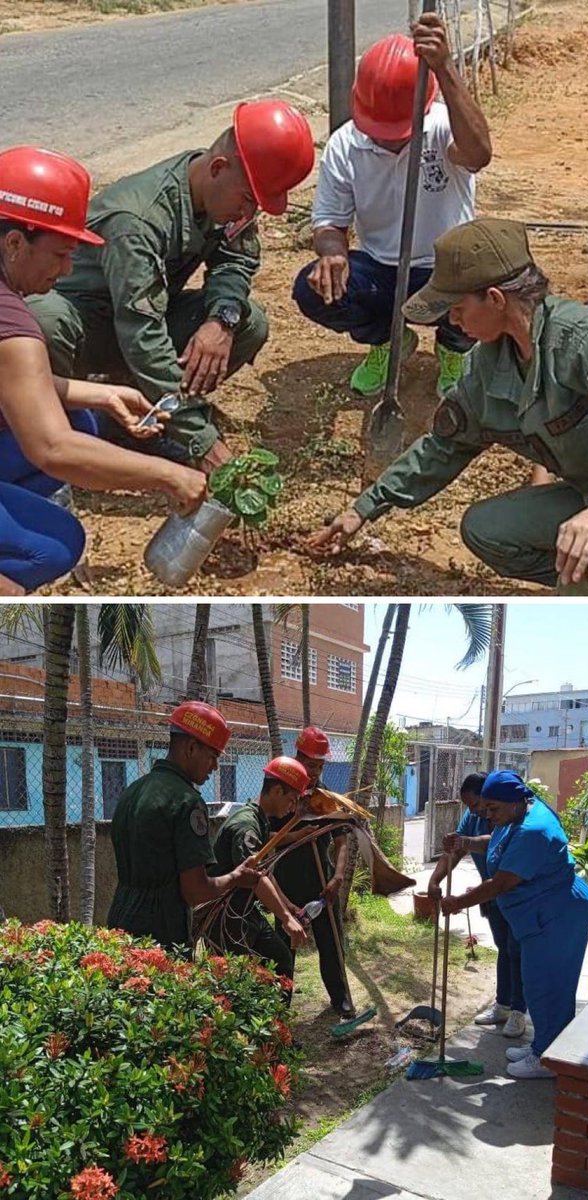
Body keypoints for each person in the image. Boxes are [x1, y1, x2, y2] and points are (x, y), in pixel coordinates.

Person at [305, 218, 588, 592]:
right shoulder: (486, 365)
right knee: (486, 530)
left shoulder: (582, 343)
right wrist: (362, 509)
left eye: (457, 308)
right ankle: (584, 576)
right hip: (585, 496)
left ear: (494, 299)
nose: (452, 321)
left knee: (581, 584)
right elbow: (444, 446)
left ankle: (585, 583)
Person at [28, 100, 314, 471]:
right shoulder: (139, 221)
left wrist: (221, 321)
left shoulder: (224, 196)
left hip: (142, 321)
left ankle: (141, 419)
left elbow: (236, 259)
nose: (249, 214)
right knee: (43, 321)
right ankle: (69, 430)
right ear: (217, 168)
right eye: (247, 200)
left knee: (248, 322)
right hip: (88, 330)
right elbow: (141, 334)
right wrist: (200, 438)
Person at [0, 146, 207, 593]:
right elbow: (52, 449)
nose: (68, 268)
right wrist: (172, 476)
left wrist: (101, 393)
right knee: (54, 546)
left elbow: (15, 383)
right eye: (59, 254)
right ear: (15, 243)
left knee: (82, 420)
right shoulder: (12, 325)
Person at [292, 14, 491, 400]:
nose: (386, 143)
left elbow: (479, 154)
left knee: (491, 278)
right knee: (311, 289)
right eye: (379, 132)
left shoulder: (444, 126)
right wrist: (331, 253)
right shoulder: (344, 145)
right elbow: (329, 222)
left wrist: (445, 68)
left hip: (447, 269)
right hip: (382, 272)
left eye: (397, 133)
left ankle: (454, 348)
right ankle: (387, 341)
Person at [440, 770, 588, 1079]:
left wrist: (458, 902)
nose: (487, 815)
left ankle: (545, 1059)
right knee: (542, 984)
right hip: (542, 915)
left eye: (492, 809)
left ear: (513, 802)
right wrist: (465, 841)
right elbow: (495, 845)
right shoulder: (515, 814)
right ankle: (546, 1046)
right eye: (484, 809)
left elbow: (501, 883)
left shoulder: (533, 830)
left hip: (557, 916)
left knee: (548, 986)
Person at [107, 701, 263, 955]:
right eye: (212, 757)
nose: (214, 767)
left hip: (120, 925)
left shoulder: (132, 791)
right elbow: (195, 891)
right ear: (191, 748)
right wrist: (236, 878)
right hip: (161, 935)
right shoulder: (186, 802)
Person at [428, 771, 528, 1038]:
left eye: (479, 806)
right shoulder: (474, 816)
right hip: (491, 894)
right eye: (471, 807)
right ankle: (503, 1004)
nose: (477, 812)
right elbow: (458, 849)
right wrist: (435, 879)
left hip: (514, 893)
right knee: (503, 949)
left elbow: (491, 848)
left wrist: (462, 900)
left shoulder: (511, 819)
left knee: (516, 950)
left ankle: (519, 1010)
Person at [268, 725, 353, 1016]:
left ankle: (340, 997)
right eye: (309, 764)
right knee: (283, 949)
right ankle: (280, 1004)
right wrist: (295, 837)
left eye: (319, 765)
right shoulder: (283, 793)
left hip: (322, 883)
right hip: (287, 885)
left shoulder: (327, 797)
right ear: (298, 756)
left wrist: (338, 877)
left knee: (332, 943)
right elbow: (267, 839)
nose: (315, 771)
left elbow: (342, 841)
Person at [208, 756, 311, 988]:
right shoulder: (247, 825)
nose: (293, 807)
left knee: (281, 959)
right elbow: (256, 878)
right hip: (225, 916)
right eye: (292, 799)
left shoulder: (261, 820)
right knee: (239, 979)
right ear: (276, 791)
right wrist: (286, 920)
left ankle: (278, 1022)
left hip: (243, 911)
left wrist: (289, 907)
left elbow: (264, 871)